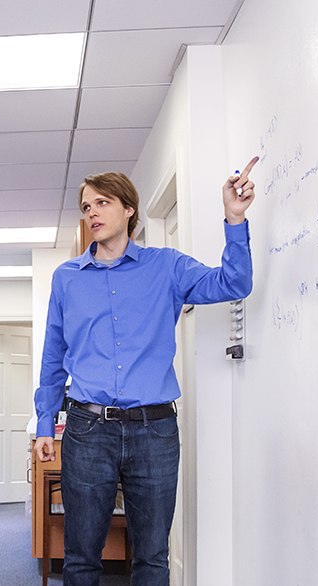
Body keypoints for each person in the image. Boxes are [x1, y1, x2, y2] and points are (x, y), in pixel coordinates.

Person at [33, 159, 259, 586]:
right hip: (87, 428)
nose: (93, 213)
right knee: (81, 557)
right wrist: (46, 422)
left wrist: (234, 218)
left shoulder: (167, 267)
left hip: (153, 430)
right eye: (86, 207)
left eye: (103, 202)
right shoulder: (67, 279)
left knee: (152, 557)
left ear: (129, 209)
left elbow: (234, 283)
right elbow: (53, 355)